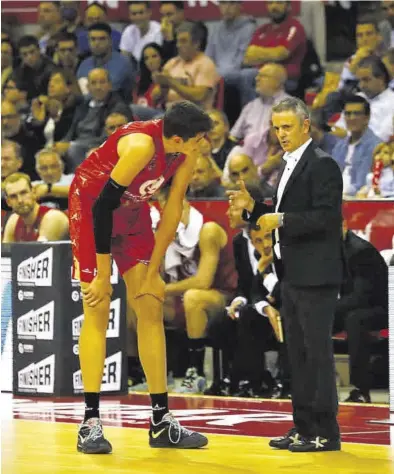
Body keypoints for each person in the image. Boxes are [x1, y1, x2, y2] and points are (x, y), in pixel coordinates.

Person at [68, 101, 212, 454]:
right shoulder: (140, 145)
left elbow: (173, 206)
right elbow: (102, 206)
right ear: (178, 138)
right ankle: (90, 422)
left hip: (132, 215)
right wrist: (102, 273)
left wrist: (152, 269)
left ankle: (161, 420)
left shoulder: (185, 152)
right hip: (91, 210)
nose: (204, 144)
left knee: (150, 303)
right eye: (199, 139)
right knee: (97, 306)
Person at [227, 97, 343, 452]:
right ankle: (303, 427)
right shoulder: (288, 164)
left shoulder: (322, 165)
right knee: (296, 354)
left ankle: (325, 431)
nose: (281, 134)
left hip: (315, 276)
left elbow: (326, 217)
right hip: (291, 274)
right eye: (276, 128)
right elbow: (278, 213)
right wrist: (254, 210)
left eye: (287, 127)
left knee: (316, 355)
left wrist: (281, 220)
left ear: (305, 125)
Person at [334, 220, 388, 403]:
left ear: (343, 226)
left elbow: (361, 297)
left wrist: (327, 309)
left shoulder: (360, 251)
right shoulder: (323, 252)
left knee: (355, 320)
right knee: (304, 317)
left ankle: (360, 389)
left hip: (380, 308)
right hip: (347, 306)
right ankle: (299, 384)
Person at [2, 172, 69, 242]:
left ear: (33, 193)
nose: (20, 200)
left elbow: (40, 251)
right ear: (8, 202)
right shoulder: (14, 220)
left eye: (24, 193)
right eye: (13, 196)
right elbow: (5, 252)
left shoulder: (53, 217)